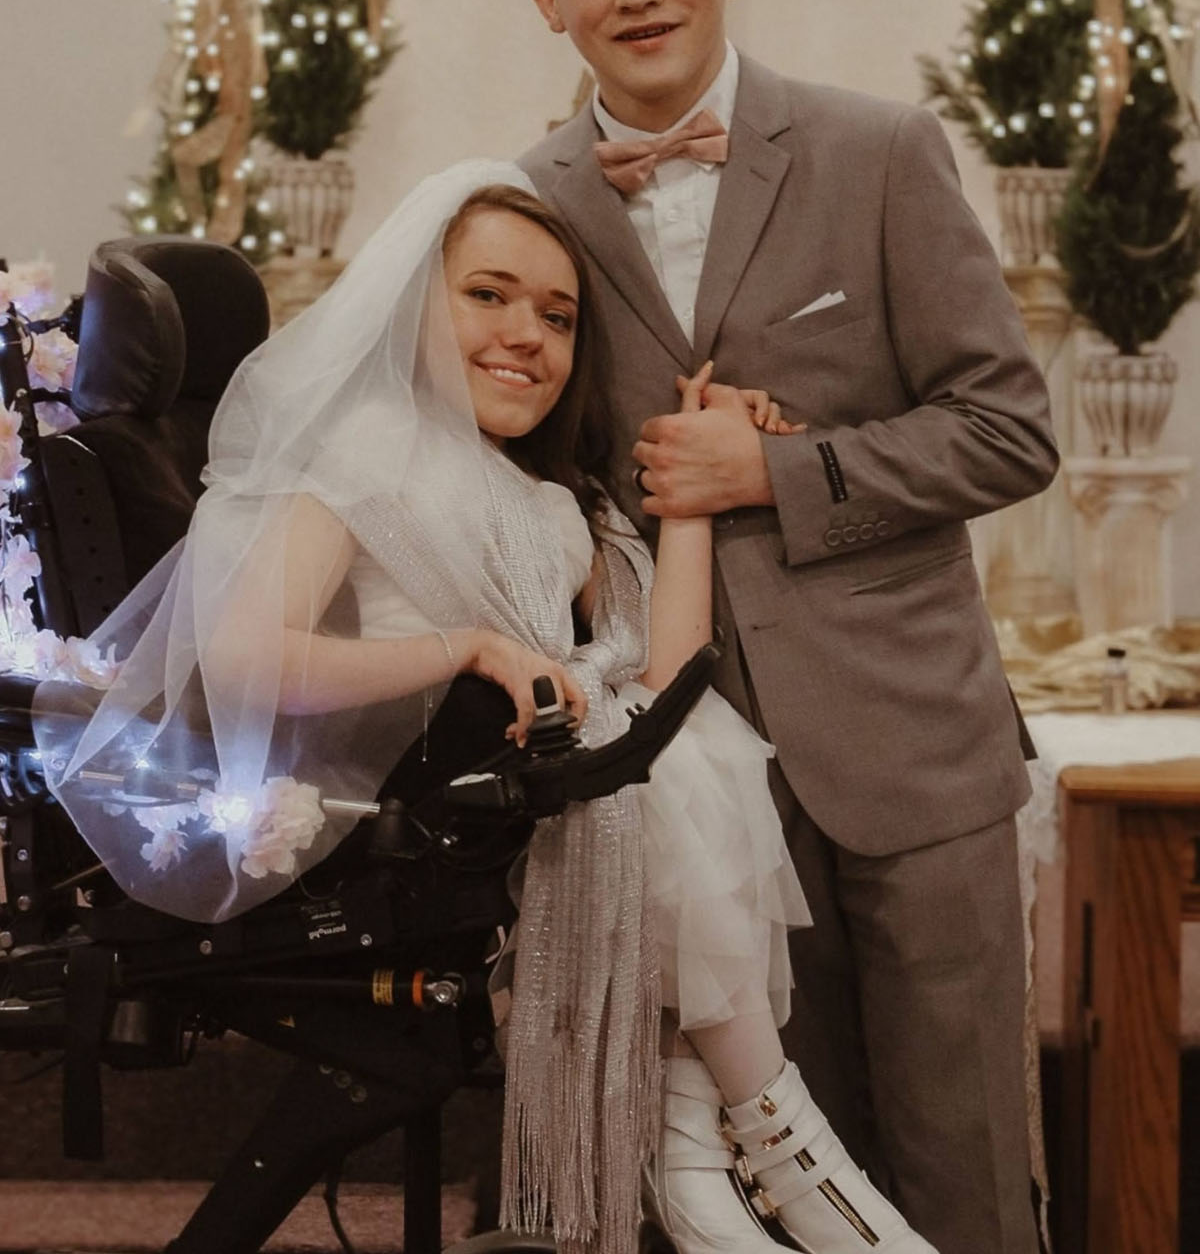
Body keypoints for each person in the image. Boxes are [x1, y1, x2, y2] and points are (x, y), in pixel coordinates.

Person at [36, 162, 935, 1254]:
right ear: (418, 303)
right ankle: (788, 1151)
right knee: (649, 775)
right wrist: (461, 646)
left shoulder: (549, 496)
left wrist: (689, 496)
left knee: (674, 749)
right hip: (433, 824)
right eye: (488, 297)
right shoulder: (362, 455)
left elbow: (664, 674)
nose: (528, 335)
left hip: (561, 787)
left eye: (557, 317)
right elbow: (241, 657)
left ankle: (706, 1161)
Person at [521, 0, 1059, 1254]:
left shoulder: (877, 151)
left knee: (964, 1160)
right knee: (769, 1186)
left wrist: (779, 468)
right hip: (696, 781)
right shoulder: (529, 203)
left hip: (911, 747)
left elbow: (1009, 429)